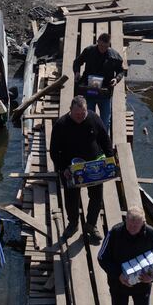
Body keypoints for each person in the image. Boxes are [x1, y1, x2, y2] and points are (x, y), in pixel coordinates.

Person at [49, 95, 114, 243]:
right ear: (70, 110)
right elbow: (54, 150)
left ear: (87, 110)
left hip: (93, 167)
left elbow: (105, 140)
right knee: (71, 199)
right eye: (77, 114)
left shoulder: (94, 118)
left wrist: (110, 159)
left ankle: (91, 225)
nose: (80, 117)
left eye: (83, 113)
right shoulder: (61, 124)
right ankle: (73, 223)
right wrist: (62, 168)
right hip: (70, 169)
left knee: (96, 198)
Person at [72, 32, 124, 130]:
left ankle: (103, 141)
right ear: (97, 42)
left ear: (109, 45)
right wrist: (77, 72)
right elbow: (77, 62)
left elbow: (121, 71)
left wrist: (116, 79)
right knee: (88, 118)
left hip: (105, 92)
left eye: (105, 47)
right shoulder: (89, 51)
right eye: (100, 46)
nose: (102, 48)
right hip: (89, 90)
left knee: (105, 120)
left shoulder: (114, 56)